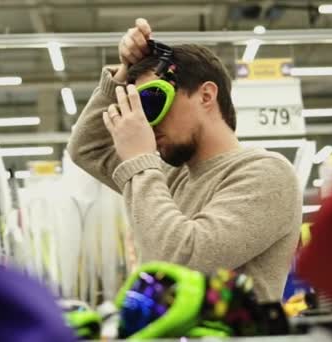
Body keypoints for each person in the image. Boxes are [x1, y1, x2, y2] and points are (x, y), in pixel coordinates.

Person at [67, 18, 302, 302]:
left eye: (153, 102)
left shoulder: (267, 174)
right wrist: (122, 73)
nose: (146, 122)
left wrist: (141, 160)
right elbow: (88, 148)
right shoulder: (170, 176)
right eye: (138, 108)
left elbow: (176, 265)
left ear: (205, 95)